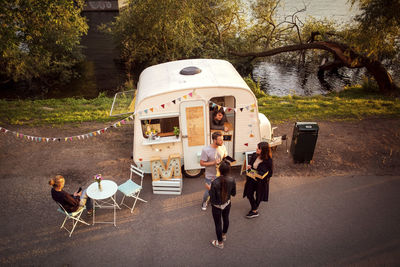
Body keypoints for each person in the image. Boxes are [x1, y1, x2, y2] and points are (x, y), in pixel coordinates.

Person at [209, 160, 236, 249]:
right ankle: (223, 235)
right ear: (229, 170)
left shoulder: (215, 182)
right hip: (227, 204)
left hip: (216, 206)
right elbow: (233, 193)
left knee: (218, 224)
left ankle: (220, 243)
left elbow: (212, 198)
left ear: (219, 170)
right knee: (226, 219)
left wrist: (210, 187)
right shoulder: (232, 179)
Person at [243, 142, 273, 219]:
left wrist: (263, 176)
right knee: (249, 194)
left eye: (259, 148)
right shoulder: (254, 155)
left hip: (261, 182)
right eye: (257, 147)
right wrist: (249, 166)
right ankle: (255, 208)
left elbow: (270, 173)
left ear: (264, 150)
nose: (257, 149)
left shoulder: (268, 161)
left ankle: (254, 210)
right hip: (252, 179)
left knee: (259, 196)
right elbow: (251, 164)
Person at [200, 131, 227, 211]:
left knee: (220, 189)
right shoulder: (206, 150)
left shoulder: (223, 147)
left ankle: (215, 200)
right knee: (209, 190)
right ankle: (204, 202)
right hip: (210, 175)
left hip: (221, 175)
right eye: (220, 140)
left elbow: (225, 156)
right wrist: (214, 162)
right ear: (214, 140)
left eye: (222, 139)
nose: (222, 141)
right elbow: (202, 163)